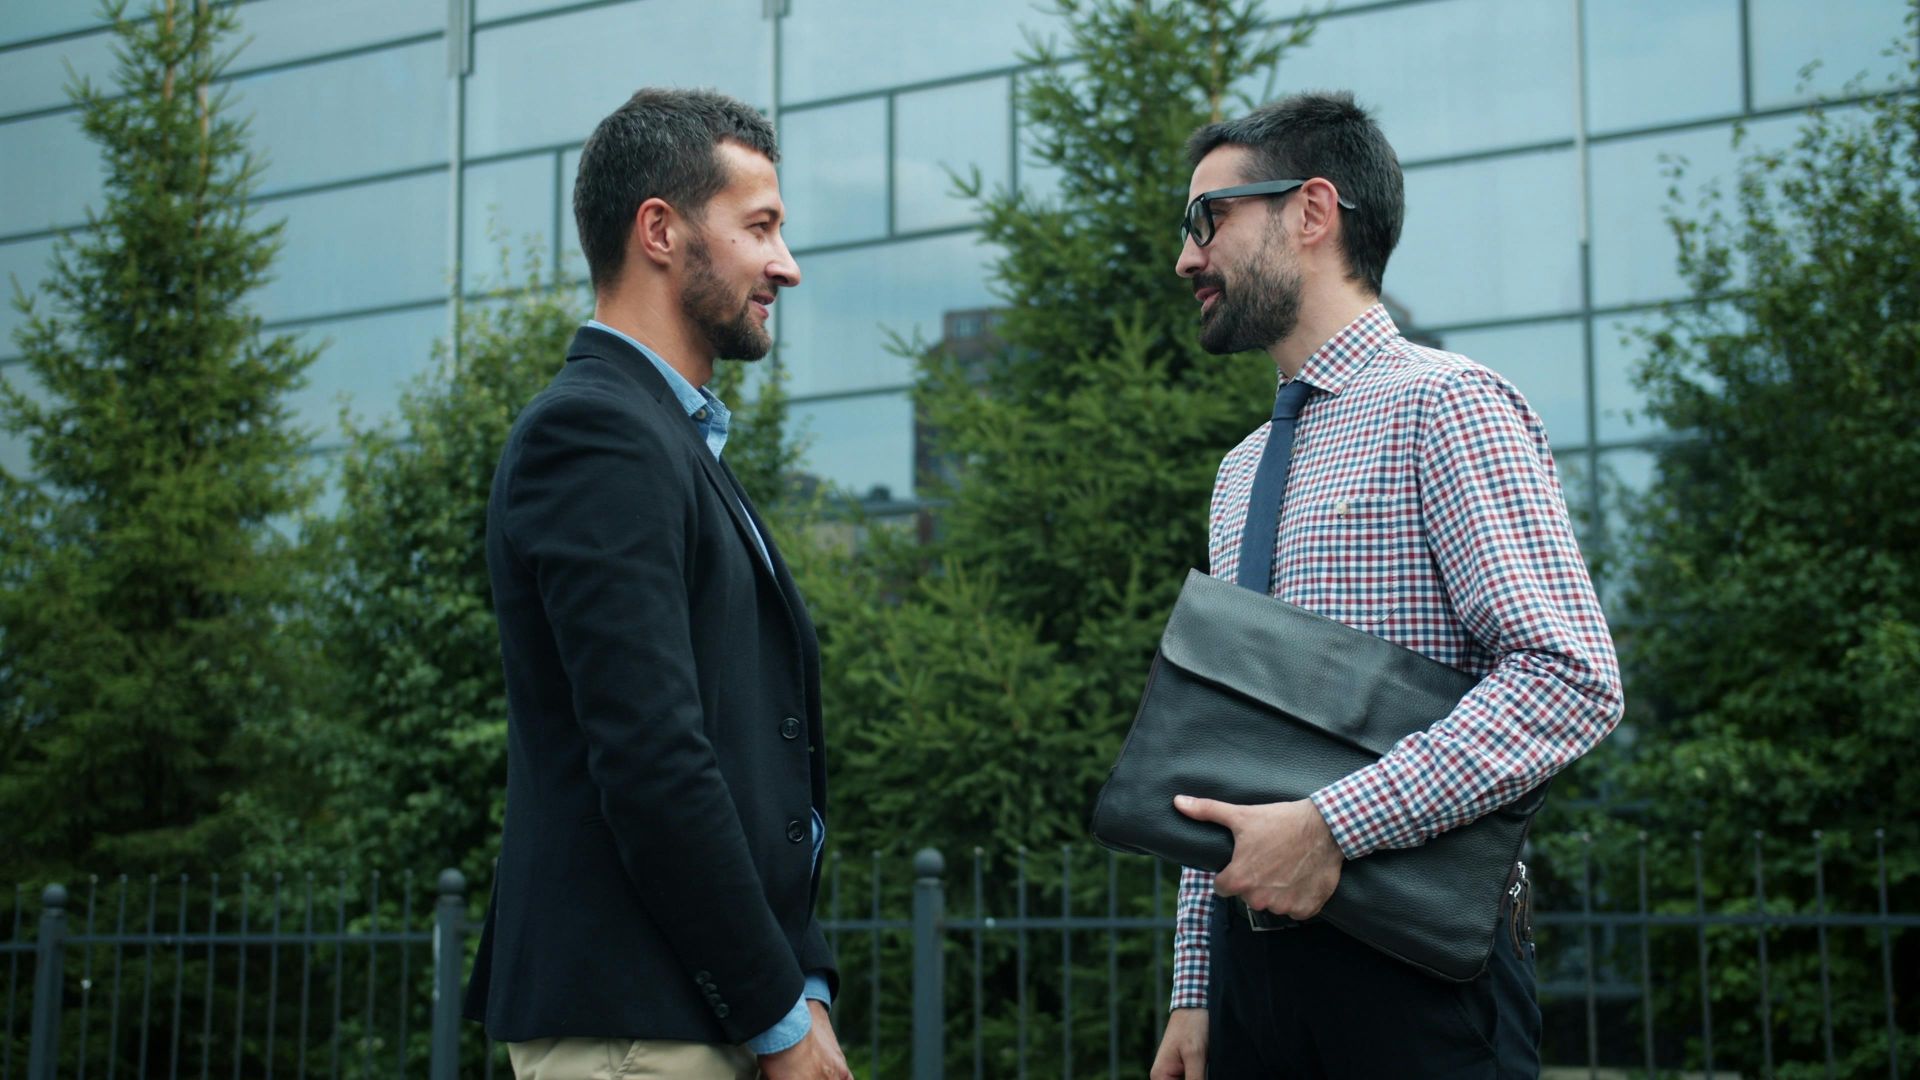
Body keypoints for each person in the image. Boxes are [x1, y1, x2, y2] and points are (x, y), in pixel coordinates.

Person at [1149, 92, 1625, 1079]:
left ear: (1312, 212)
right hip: (1252, 989)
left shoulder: (1449, 407)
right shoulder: (1240, 472)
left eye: (1208, 219)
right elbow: (1222, 733)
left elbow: (1569, 679)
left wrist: (1333, 825)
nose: (1186, 257)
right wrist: (1197, 985)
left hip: (1415, 979)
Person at [462, 87, 849, 1080]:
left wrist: (801, 985)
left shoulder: (667, 439)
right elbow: (652, 760)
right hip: (635, 1027)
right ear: (661, 231)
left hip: (684, 1014)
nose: (786, 265)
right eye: (760, 227)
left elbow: (747, 755)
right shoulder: (594, 434)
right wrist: (777, 1011)